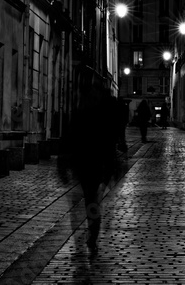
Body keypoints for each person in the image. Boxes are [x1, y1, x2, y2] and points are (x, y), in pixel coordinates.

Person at [69, 74, 118, 252]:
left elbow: (70, 138)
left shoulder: (80, 112)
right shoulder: (102, 115)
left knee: (86, 202)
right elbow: (110, 141)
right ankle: (92, 235)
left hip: (84, 165)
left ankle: (88, 236)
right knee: (92, 202)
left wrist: (65, 162)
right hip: (95, 165)